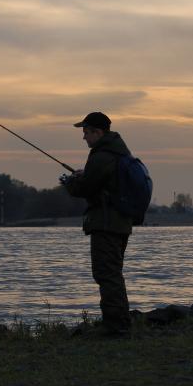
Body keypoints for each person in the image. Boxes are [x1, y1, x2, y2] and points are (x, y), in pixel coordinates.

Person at [62, 112, 133, 336]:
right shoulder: (118, 151)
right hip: (119, 222)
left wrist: (72, 183)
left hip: (106, 223)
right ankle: (119, 323)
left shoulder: (102, 155)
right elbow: (100, 182)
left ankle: (116, 327)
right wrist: (86, 175)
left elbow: (86, 189)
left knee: (106, 273)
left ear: (98, 132)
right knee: (112, 272)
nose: (84, 137)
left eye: (86, 132)